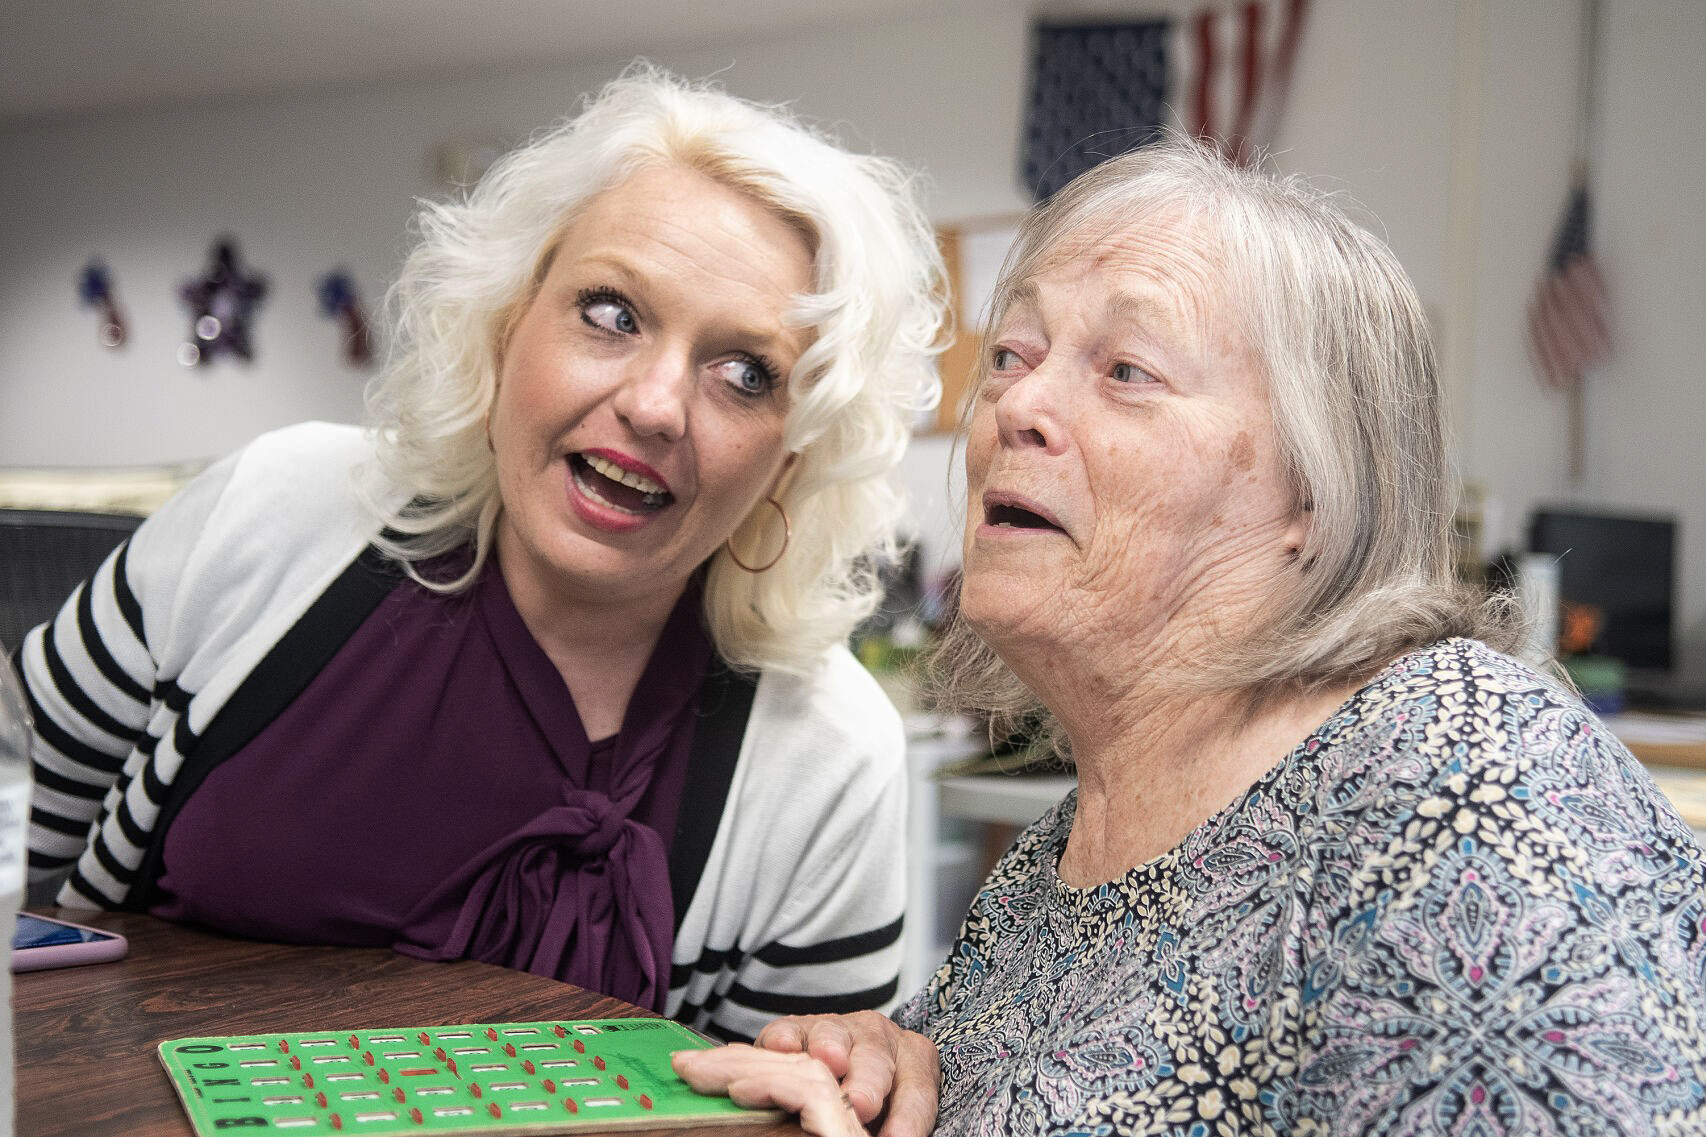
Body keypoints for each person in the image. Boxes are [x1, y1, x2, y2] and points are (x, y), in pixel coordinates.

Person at [672, 135, 1706, 1132]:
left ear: (1315, 485)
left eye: (1125, 369)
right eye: (1010, 353)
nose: (1016, 404)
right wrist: (896, 1069)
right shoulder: (1052, 865)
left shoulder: (1461, 776)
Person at [17, 68, 946, 1043]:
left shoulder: (826, 758)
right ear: (508, 320)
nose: (656, 403)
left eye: (745, 374)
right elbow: (11, 849)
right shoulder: (273, 512)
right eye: (613, 313)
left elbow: (787, 1109)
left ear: (791, 457)